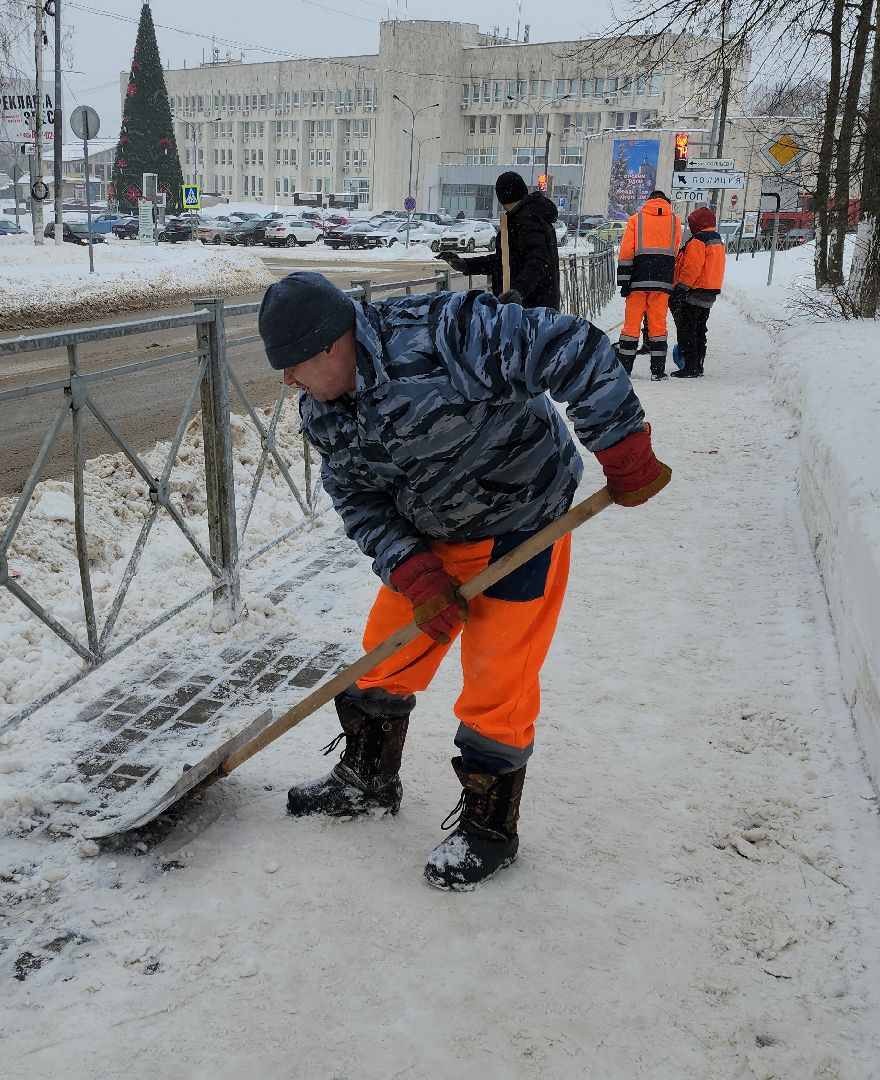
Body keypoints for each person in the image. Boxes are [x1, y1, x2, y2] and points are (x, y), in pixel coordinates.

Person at [257, 271, 671, 890]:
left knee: (497, 684)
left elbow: (570, 347)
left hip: (522, 524)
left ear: (329, 345)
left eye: (291, 364)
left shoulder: (440, 335)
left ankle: (488, 829)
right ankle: (369, 778)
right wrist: (411, 568)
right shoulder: (323, 411)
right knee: (381, 656)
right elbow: (356, 499)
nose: (288, 380)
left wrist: (623, 445)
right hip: (431, 538)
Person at [439, 171, 563, 310]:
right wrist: (467, 265)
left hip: (529, 309)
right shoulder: (530, 216)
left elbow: (538, 260)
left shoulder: (526, 220)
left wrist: (519, 291)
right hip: (535, 306)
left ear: (503, 198)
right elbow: (505, 262)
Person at [615, 187, 680, 379]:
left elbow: (626, 252)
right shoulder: (675, 221)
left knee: (631, 326)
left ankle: (625, 370)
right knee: (658, 326)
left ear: (649, 201)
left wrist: (624, 281)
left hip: (637, 279)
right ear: (666, 202)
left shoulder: (636, 219)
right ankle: (657, 371)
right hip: (662, 281)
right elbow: (674, 252)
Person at [669, 207, 726, 379]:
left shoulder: (698, 241)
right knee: (700, 329)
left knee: (688, 330)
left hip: (694, 292)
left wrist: (681, 287)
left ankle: (690, 366)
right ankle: (699, 364)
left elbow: (692, 268)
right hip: (709, 292)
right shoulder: (717, 240)